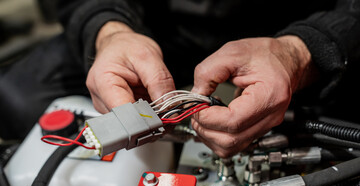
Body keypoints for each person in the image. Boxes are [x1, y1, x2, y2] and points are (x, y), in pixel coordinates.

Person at [0, 0, 359, 158]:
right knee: (17, 95)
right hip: (149, 27)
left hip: (298, 29)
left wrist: (299, 53)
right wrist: (109, 29)